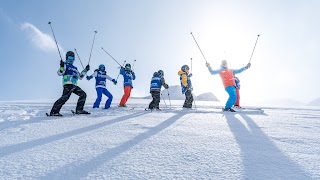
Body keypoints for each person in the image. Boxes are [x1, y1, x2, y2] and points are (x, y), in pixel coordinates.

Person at [49, 51, 90, 116]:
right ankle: (54, 112)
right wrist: (61, 66)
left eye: (73, 58)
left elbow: (80, 77)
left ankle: (79, 110)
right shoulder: (65, 64)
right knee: (65, 97)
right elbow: (59, 73)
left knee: (83, 94)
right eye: (70, 57)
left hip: (74, 85)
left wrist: (85, 70)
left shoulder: (75, 68)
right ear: (67, 57)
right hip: (68, 84)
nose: (71, 59)